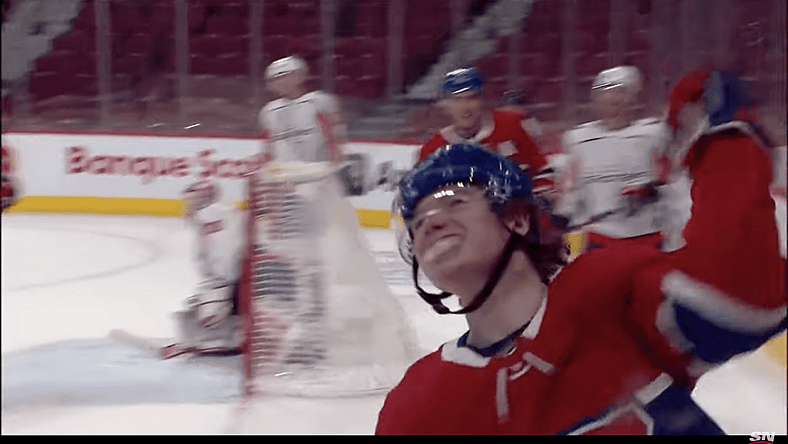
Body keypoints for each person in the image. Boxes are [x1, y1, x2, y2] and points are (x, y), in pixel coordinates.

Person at [375, 69, 785, 433]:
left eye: (453, 202)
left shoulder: (607, 298)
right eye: (417, 219)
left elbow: (742, 293)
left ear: (516, 218)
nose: (430, 221)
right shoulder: (412, 408)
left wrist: (723, 139)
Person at [556, 66, 671, 252]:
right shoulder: (577, 139)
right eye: (606, 92)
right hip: (595, 236)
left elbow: (670, 182)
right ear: (595, 99)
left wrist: (651, 190)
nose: (614, 98)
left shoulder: (654, 134)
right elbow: (569, 192)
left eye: (621, 91)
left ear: (632, 97)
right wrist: (562, 219)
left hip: (646, 235)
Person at [419, 67, 552, 196]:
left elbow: (541, 171)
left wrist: (540, 198)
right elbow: (424, 197)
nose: (465, 107)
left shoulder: (512, 125)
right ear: (445, 106)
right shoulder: (433, 149)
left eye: (471, 98)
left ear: (482, 100)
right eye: (457, 100)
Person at [173, 180, 247, 355]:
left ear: (205, 199)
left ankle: (229, 336)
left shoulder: (212, 215)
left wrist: (217, 289)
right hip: (230, 279)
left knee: (206, 316)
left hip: (229, 280)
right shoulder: (221, 214)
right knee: (191, 314)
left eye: (194, 200)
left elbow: (225, 258)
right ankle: (228, 332)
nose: (190, 205)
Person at [258, 55, 345, 164]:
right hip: (284, 171)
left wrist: (334, 165)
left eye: (285, 76)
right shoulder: (269, 111)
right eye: (275, 79)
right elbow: (269, 147)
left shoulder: (319, 102)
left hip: (319, 169)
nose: (280, 81)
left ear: (300, 76)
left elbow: (335, 139)